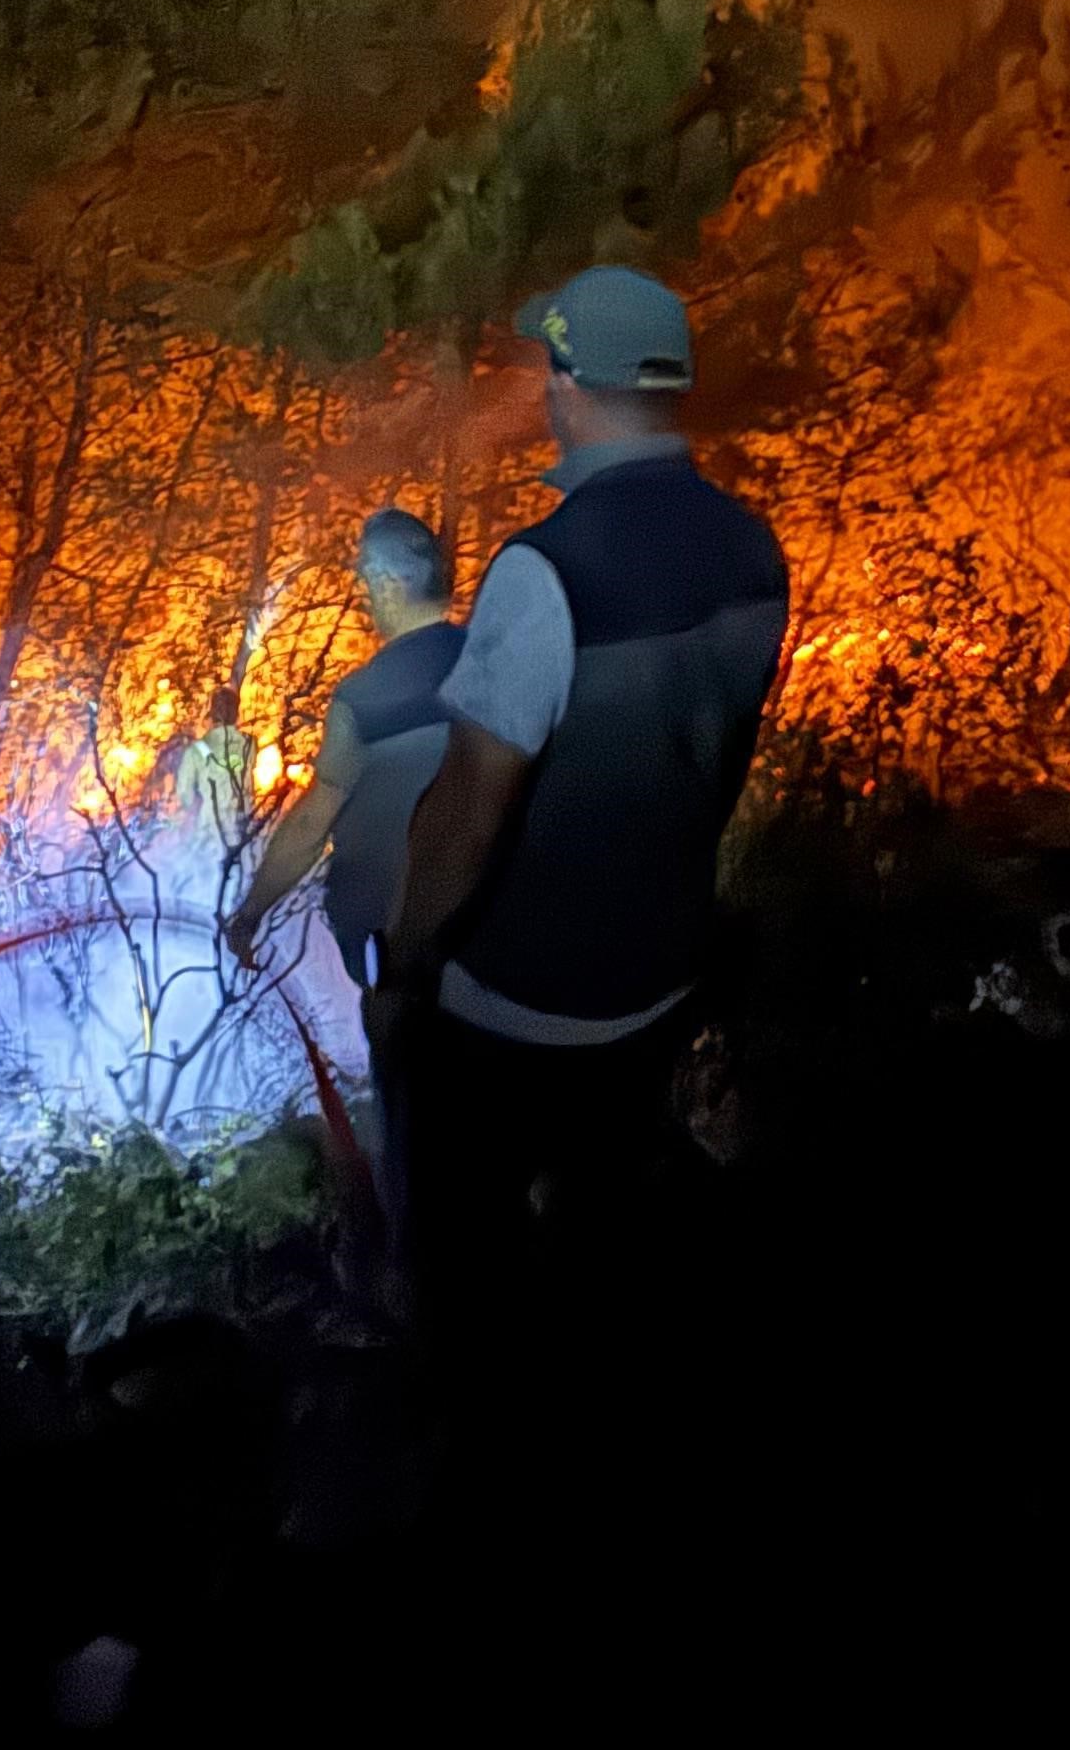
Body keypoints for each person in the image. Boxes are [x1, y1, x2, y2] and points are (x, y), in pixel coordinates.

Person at [363, 268, 787, 1337]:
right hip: (660, 981)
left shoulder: (544, 571)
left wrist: (407, 962)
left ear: (571, 380)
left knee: (463, 1269)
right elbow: (712, 760)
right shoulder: (754, 550)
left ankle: (454, 1405)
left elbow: (468, 810)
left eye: (546, 369)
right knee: (606, 1257)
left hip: (519, 1003)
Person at [226, 509, 462, 995]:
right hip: (500, 932)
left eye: (367, 583)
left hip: (395, 939)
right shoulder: (499, 661)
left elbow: (314, 823)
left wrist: (250, 913)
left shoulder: (365, 696)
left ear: (390, 584)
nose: (365, 599)